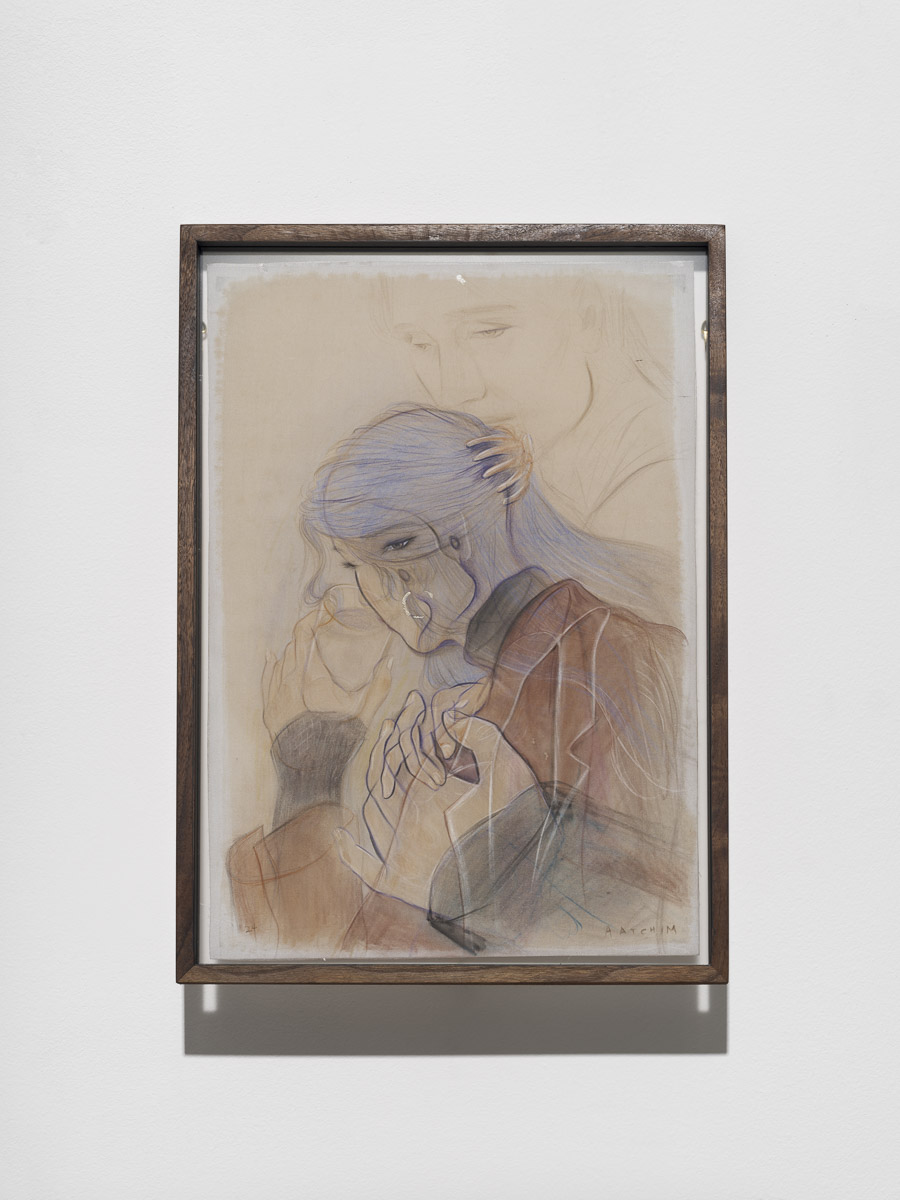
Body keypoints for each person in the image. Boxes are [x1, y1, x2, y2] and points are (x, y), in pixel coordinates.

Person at [228, 406, 697, 957]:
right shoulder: (514, 682)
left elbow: (356, 953)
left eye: (361, 563)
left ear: (448, 542)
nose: (347, 591)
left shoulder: (567, 682)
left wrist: (312, 767)